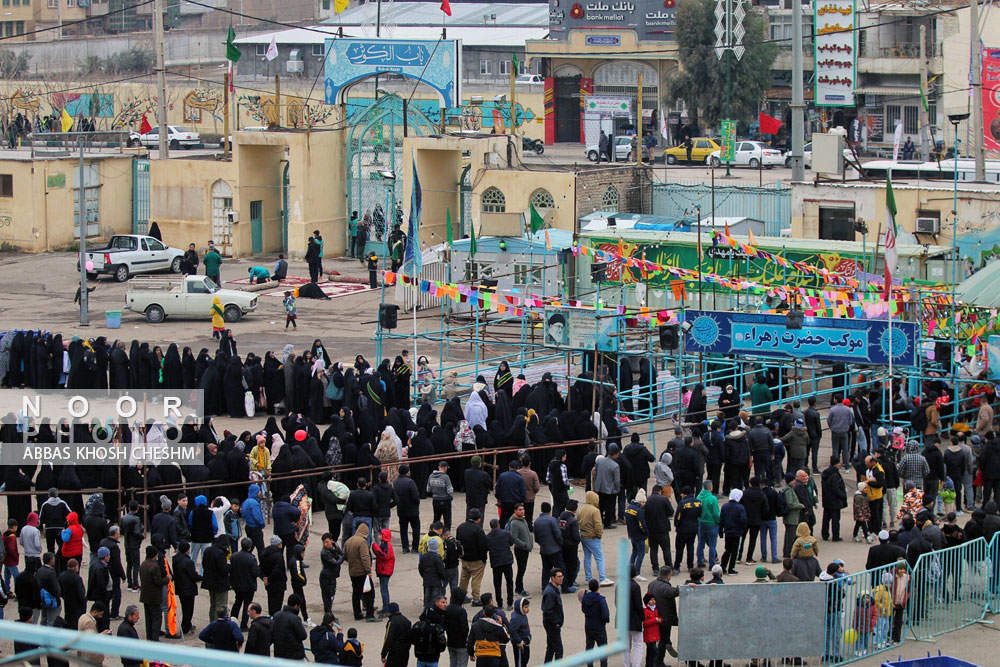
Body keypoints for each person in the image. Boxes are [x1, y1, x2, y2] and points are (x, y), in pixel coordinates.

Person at [467, 602, 509, 667]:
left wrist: (471, 654)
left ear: (484, 613)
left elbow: (470, 642)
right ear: (493, 614)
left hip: (481, 657)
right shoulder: (498, 627)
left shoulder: (475, 626)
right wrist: (501, 625)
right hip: (494, 656)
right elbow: (506, 639)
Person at [410, 596, 449, 667]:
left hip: (421, 655)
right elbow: (442, 644)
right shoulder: (438, 622)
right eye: (443, 602)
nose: (445, 604)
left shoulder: (427, 614)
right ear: (436, 603)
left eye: (446, 603)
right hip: (432, 657)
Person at [581, 578, 610, 667]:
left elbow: (583, 610)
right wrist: (605, 620)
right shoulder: (601, 600)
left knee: (589, 647)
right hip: (599, 627)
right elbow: (605, 616)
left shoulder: (585, 598)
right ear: (598, 586)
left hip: (589, 626)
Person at [394, 464, 422, 553]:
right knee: (416, 528)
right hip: (412, 509)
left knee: (403, 529)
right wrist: (417, 503)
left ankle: (405, 547)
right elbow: (415, 496)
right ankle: (415, 547)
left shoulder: (395, 482)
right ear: (407, 472)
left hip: (401, 509)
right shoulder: (410, 482)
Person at [718, 489, 747, 575]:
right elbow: (743, 520)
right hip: (737, 532)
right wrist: (742, 528)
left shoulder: (725, 506)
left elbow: (721, 520)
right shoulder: (740, 508)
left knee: (727, 550)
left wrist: (720, 531)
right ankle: (731, 568)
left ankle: (723, 566)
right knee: (734, 551)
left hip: (728, 532)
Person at [673, 486, 702, 571]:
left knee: (679, 549)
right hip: (693, 528)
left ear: (685, 494)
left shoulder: (682, 503)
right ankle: (690, 566)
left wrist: (676, 524)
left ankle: (677, 566)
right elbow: (700, 514)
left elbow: (678, 516)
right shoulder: (699, 502)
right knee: (690, 548)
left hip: (682, 529)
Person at [272, 594, 308, 659]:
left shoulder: (276, 615)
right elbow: (303, 635)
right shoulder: (295, 618)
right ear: (296, 606)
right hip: (294, 654)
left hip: (279, 652)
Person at [821, 456, 847, 541]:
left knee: (826, 518)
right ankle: (835, 536)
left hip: (826, 499)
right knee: (835, 520)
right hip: (834, 500)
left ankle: (825, 534)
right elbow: (835, 488)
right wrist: (842, 495)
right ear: (837, 463)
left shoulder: (826, 474)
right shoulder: (835, 475)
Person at [541, 569, 564, 662]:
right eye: (559, 576)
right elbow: (547, 610)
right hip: (552, 625)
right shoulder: (550, 592)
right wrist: (556, 623)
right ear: (552, 578)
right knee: (559, 649)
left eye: (562, 576)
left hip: (551, 624)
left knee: (551, 647)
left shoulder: (553, 589)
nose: (561, 578)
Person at [319, 532, 345, 615]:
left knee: (332, 595)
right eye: (324, 542)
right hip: (326, 577)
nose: (325, 544)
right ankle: (328, 615)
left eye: (327, 542)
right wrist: (339, 558)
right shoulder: (324, 553)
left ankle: (329, 613)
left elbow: (342, 554)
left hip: (333, 576)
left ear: (331, 541)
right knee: (327, 597)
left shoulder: (335, 546)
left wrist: (338, 557)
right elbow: (336, 563)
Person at [625, 489, 649, 579]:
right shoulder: (638, 511)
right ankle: (637, 573)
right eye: (644, 502)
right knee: (641, 554)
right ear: (640, 501)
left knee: (634, 552)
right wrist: (646, 533)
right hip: (639, 536)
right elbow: (641, 525)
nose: (645, 504)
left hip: (631, 534)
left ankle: (629, 571)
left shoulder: (629, 508)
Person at [696, 480, 720, 568]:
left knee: (700, 543)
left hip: (701, 522)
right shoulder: (713, 498)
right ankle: (712, 563)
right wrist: (718, 522)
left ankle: (700, 561)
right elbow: (716, 513)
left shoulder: (698, 497)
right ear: (710, 487)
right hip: (711, 523)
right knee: (712, 545)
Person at [444, 588, 470, 667]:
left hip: (450, 641)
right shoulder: (461, 611)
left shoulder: (447, 609)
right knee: (461, 664)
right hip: (461, 643)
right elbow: (464, 628)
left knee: (453, 663)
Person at [382, 602, 413, 667]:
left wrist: (383, 654)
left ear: (390, 612)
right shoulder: (407, 621)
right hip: (405, 651)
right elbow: (410, 637)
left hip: (394, 652)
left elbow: (388, 639)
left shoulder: (391, 622)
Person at [373, 528, 395, 616]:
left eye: (380, 535)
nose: (378, 536)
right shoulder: (383, 544)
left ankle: (386, 608)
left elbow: (384, 556)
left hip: (385, 571)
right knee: (383, 590)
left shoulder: (387, 545)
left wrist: (376, 548)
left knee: (384, 590)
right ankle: (385, 607)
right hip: (383, 570)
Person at [428, 461, 455, 530]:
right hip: (445, 500)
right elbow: (450, 490)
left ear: (438, 467)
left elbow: (428, 489)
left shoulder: (431, 476)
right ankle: (446, 536)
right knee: (447, 520)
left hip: (435, 500)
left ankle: (434, 534)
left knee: (436, 519)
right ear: (445, 468)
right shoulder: (445, 477)